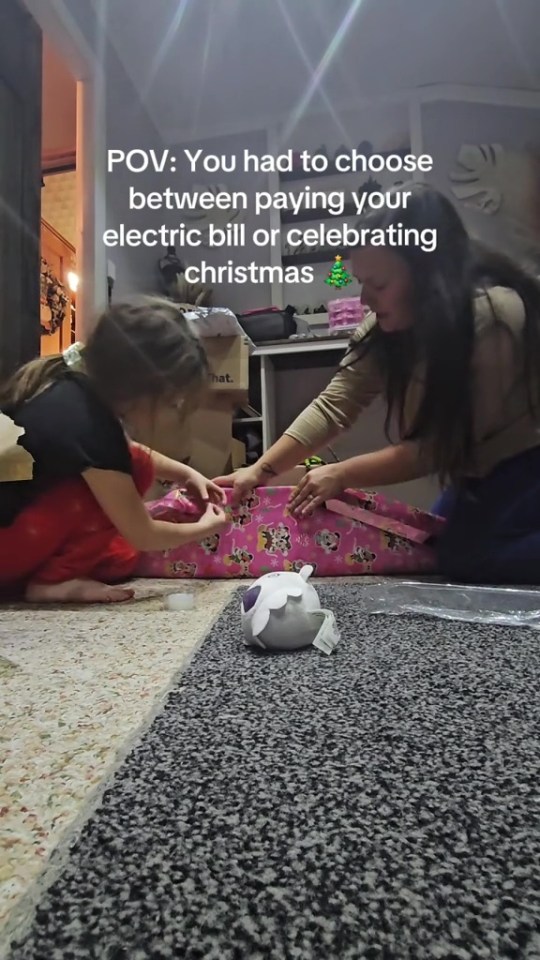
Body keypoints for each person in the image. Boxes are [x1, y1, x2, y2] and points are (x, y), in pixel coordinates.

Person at [215, 183, 540, 585]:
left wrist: (343, 473)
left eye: (380, 284)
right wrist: (259, 471)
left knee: (466, 560)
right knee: (434, 547)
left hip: (524, 463)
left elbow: (440, 448)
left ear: (428, 277)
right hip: (474, 471)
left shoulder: (492, 317)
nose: (365, 298)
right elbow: (335, 404)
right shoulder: (385, 328)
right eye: (362, 282)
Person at [0, 296, 229, 603]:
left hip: (13, 534)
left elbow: (123, 447)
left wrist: (186, 473)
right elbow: (142, 532)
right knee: (136, 469)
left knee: (121, 540)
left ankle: (47, 575)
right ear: (147, 390)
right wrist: (204, 528)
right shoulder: (95, 431)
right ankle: (52, 583)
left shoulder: (67, 386)